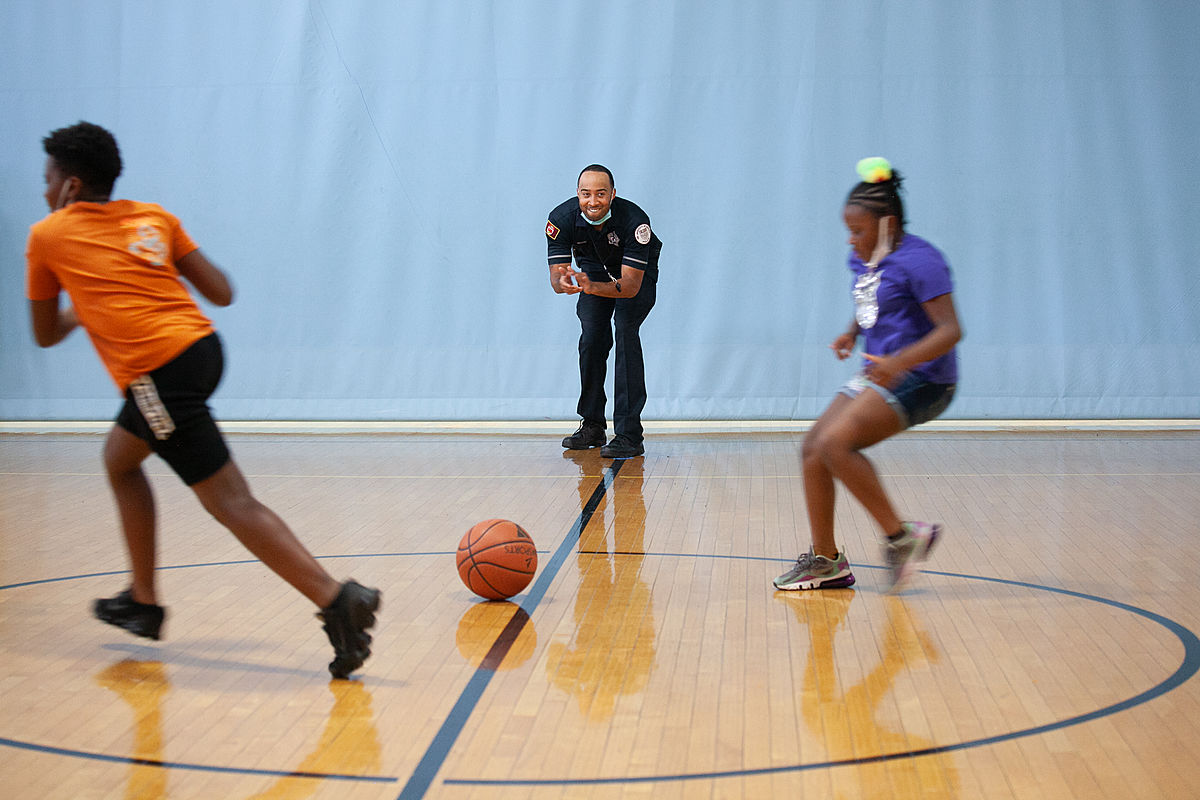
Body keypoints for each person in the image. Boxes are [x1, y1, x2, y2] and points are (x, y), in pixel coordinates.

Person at [25, 121, 381, 679]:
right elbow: (221, 291)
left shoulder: (48, 235)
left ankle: (337, 598)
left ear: (69, 185)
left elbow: (45, 332)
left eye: (47, 179)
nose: (43, 190)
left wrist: (86, 305)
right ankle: (143, 602)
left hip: (156, 372)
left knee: (230, 502)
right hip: (202, 350)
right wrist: (139, 279)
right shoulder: (154, 218)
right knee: (120, 460)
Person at [774, 157, 962, 592]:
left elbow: (951, 330)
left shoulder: (923, 261)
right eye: (849, 229)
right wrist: (852, 331)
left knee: (836, 444)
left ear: (889, 223)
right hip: (879, 371)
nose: (851, 239)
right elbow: (874, 304)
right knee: (812, 449)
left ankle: (902, 537)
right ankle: (826, 562)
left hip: (926, 378)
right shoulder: (862, 259)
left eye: (858, 230)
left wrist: (900, 362)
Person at [546, 164, 661, 459]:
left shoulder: (635, 222)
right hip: (594, 269)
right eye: (586, 194)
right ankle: (593, 425)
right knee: (592, 337)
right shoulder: (560, 219)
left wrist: (590, 287)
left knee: (625, 331)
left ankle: (629, 434)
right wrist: (566, 282)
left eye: (600, 194)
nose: (593, 201)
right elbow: (557, 281)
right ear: (578, 194)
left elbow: (631, 286)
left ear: (612, 194)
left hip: (633, 274)